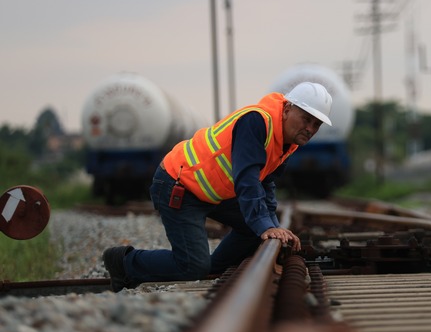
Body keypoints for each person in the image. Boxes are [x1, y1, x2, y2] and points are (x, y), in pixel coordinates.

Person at [102, 81, 333, 292]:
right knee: (192, 267)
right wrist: (265, 225)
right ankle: (123, 261)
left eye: (317, 124)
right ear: (287, 109)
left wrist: (273, 227)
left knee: (254, 232)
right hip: (179, 184)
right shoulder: (257, 122)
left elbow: (266, 182)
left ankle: (211, 266)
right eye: (306, 119)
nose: (310, 129)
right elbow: (247, 179)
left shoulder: (287, 139)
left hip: (212, 190)